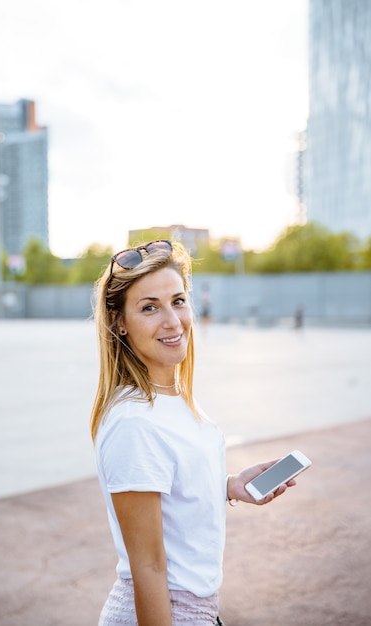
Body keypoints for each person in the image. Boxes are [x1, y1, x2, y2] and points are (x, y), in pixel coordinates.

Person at [90, 239, 296, 626]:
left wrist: (228, 485)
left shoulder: (175, 397)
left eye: (178, 301)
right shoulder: (134, 421)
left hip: (197, 610)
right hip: (165, 612)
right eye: (149, 307)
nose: (172, 321)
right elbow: (148, 567)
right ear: (119, 322)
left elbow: (169, 488)